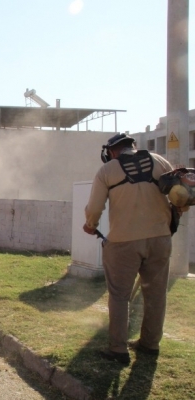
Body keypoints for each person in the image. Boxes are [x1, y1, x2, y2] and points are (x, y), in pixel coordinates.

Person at [83, 133, 175, 365]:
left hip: (123, 242)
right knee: (156, 294)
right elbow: (178, 196)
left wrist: (90, 225)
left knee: (119, 295)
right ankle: (150, 344)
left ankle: (118, 349)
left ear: (112, 151)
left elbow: (95, 207)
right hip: (160, 239)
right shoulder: (160, 161)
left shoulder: (107, 170)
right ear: (133, 146)